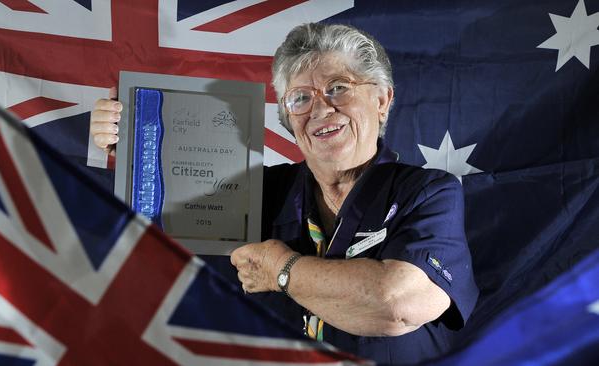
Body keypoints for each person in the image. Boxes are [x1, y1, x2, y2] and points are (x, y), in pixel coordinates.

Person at [90, 23, 478, 364]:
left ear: (381, 100)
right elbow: (153, 236)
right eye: (301, 98)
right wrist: (132, 144)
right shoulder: (257, 191)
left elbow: (397, 305)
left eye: (338, 87)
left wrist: (282, 270)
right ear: (289, 121)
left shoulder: (428, 193)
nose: (321, 108)